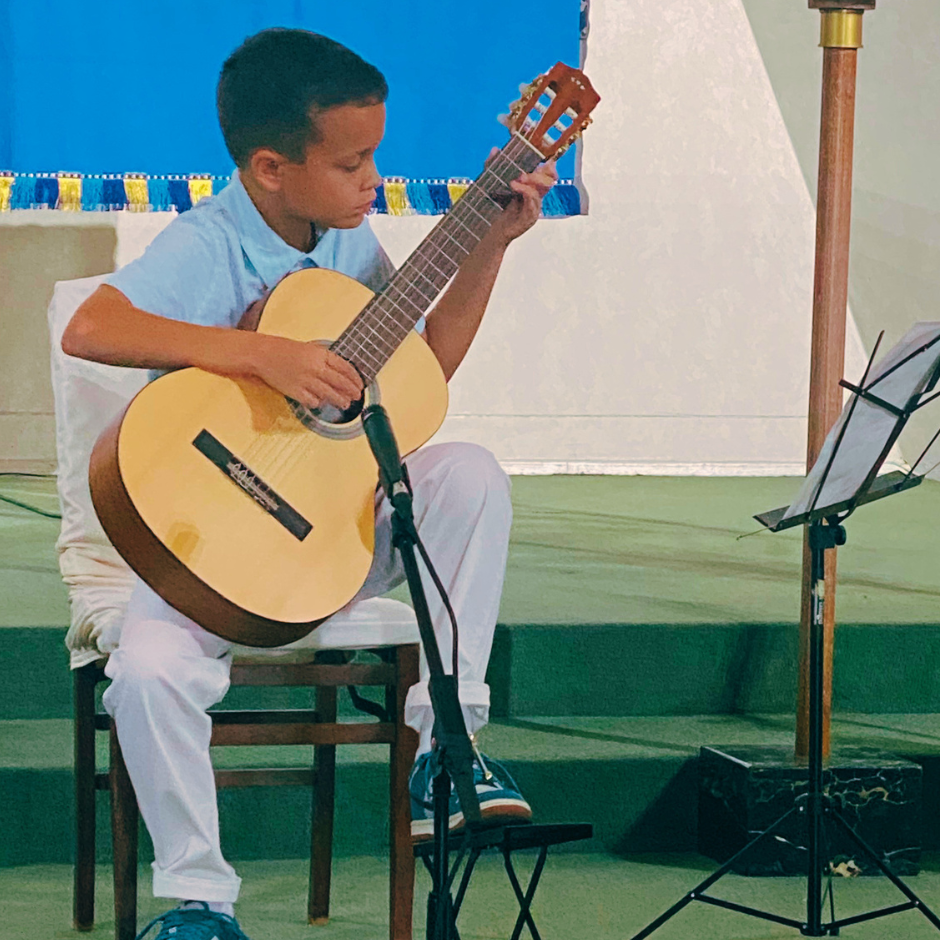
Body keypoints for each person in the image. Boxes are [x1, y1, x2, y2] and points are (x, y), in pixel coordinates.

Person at [62, 27, 556, 940]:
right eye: (353, 160)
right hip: (206, 546)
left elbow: (418, 376)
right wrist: (263, 354)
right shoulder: (209, 243)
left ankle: (447, 746)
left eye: (375, 154)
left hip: (328, 536)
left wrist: (488, 246)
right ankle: (200, 902)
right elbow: (91, 328)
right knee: (146, 672)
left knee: (469, 474)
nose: (374, 179)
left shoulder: (346, 239)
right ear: (270, 167)